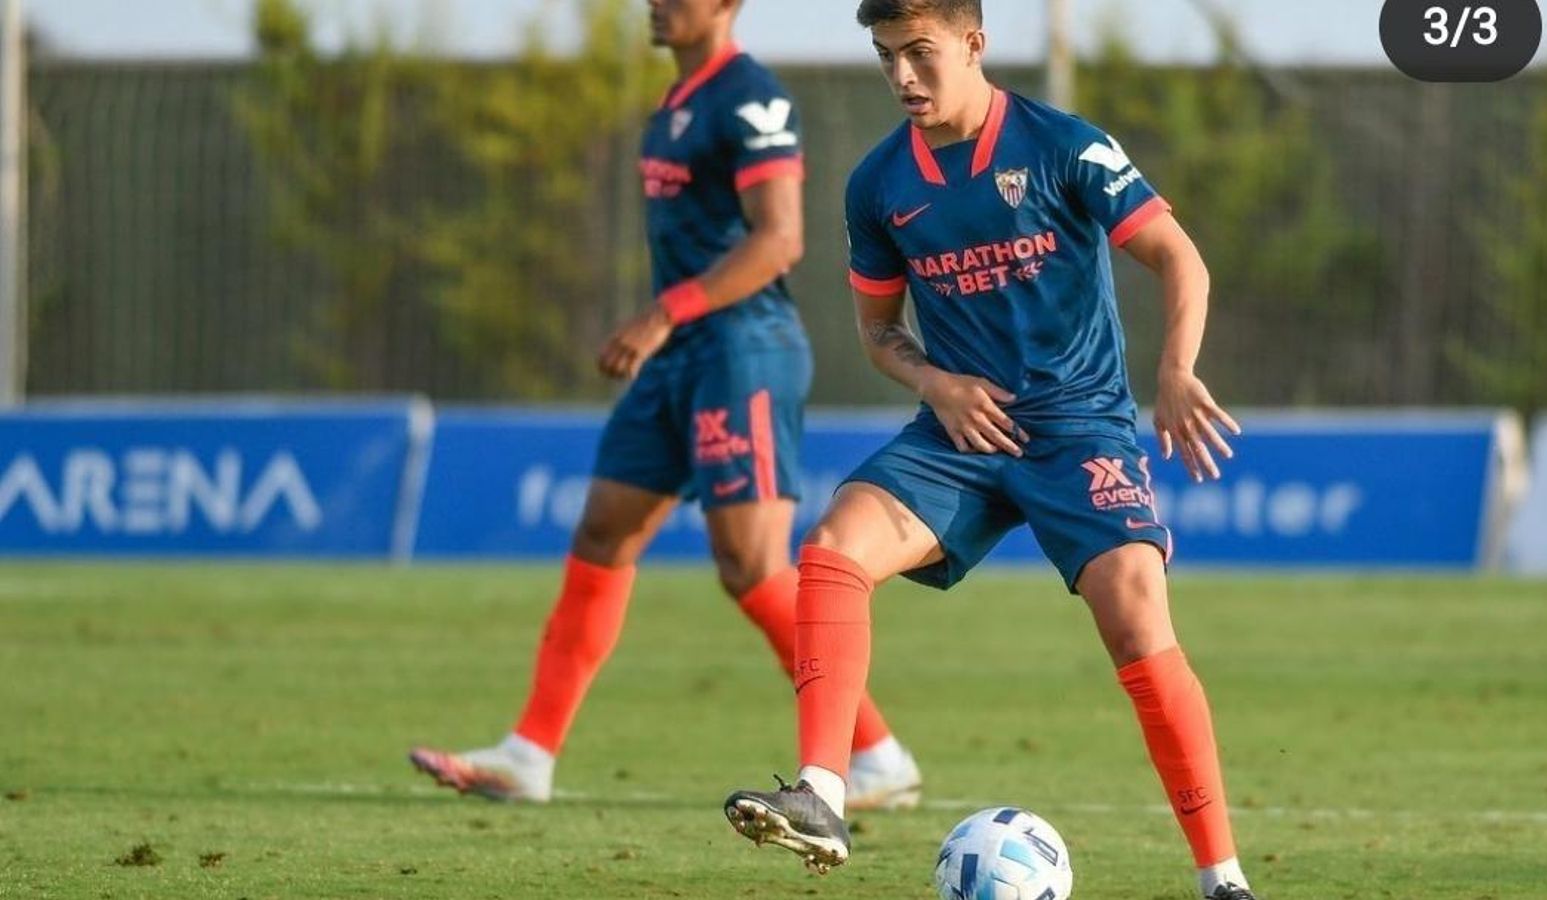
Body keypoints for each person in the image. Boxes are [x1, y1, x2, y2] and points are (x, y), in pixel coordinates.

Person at [721, 1, 1258, 897]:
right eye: (887, 56)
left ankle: (1223, 879)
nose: (902, 76)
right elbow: (880, 333)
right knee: (831, 549)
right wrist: (935, 382)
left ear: (974, 44)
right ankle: (821, 791)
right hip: (960, 430)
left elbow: (1178, 257)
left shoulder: (1064, 145)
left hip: (1080, 424)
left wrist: (1172, 369)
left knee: (1135, 613)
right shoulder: (879, 184)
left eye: (920, 53)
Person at [410, 0, 919, 811]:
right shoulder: (674, 104)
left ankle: (877, 755)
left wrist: (660, 313)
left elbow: (779, 238)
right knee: (604, 530)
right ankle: (528, 753)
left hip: (740, 351)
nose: (656, 2)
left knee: (750, 566)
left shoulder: (750, 98)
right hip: (678, 358)